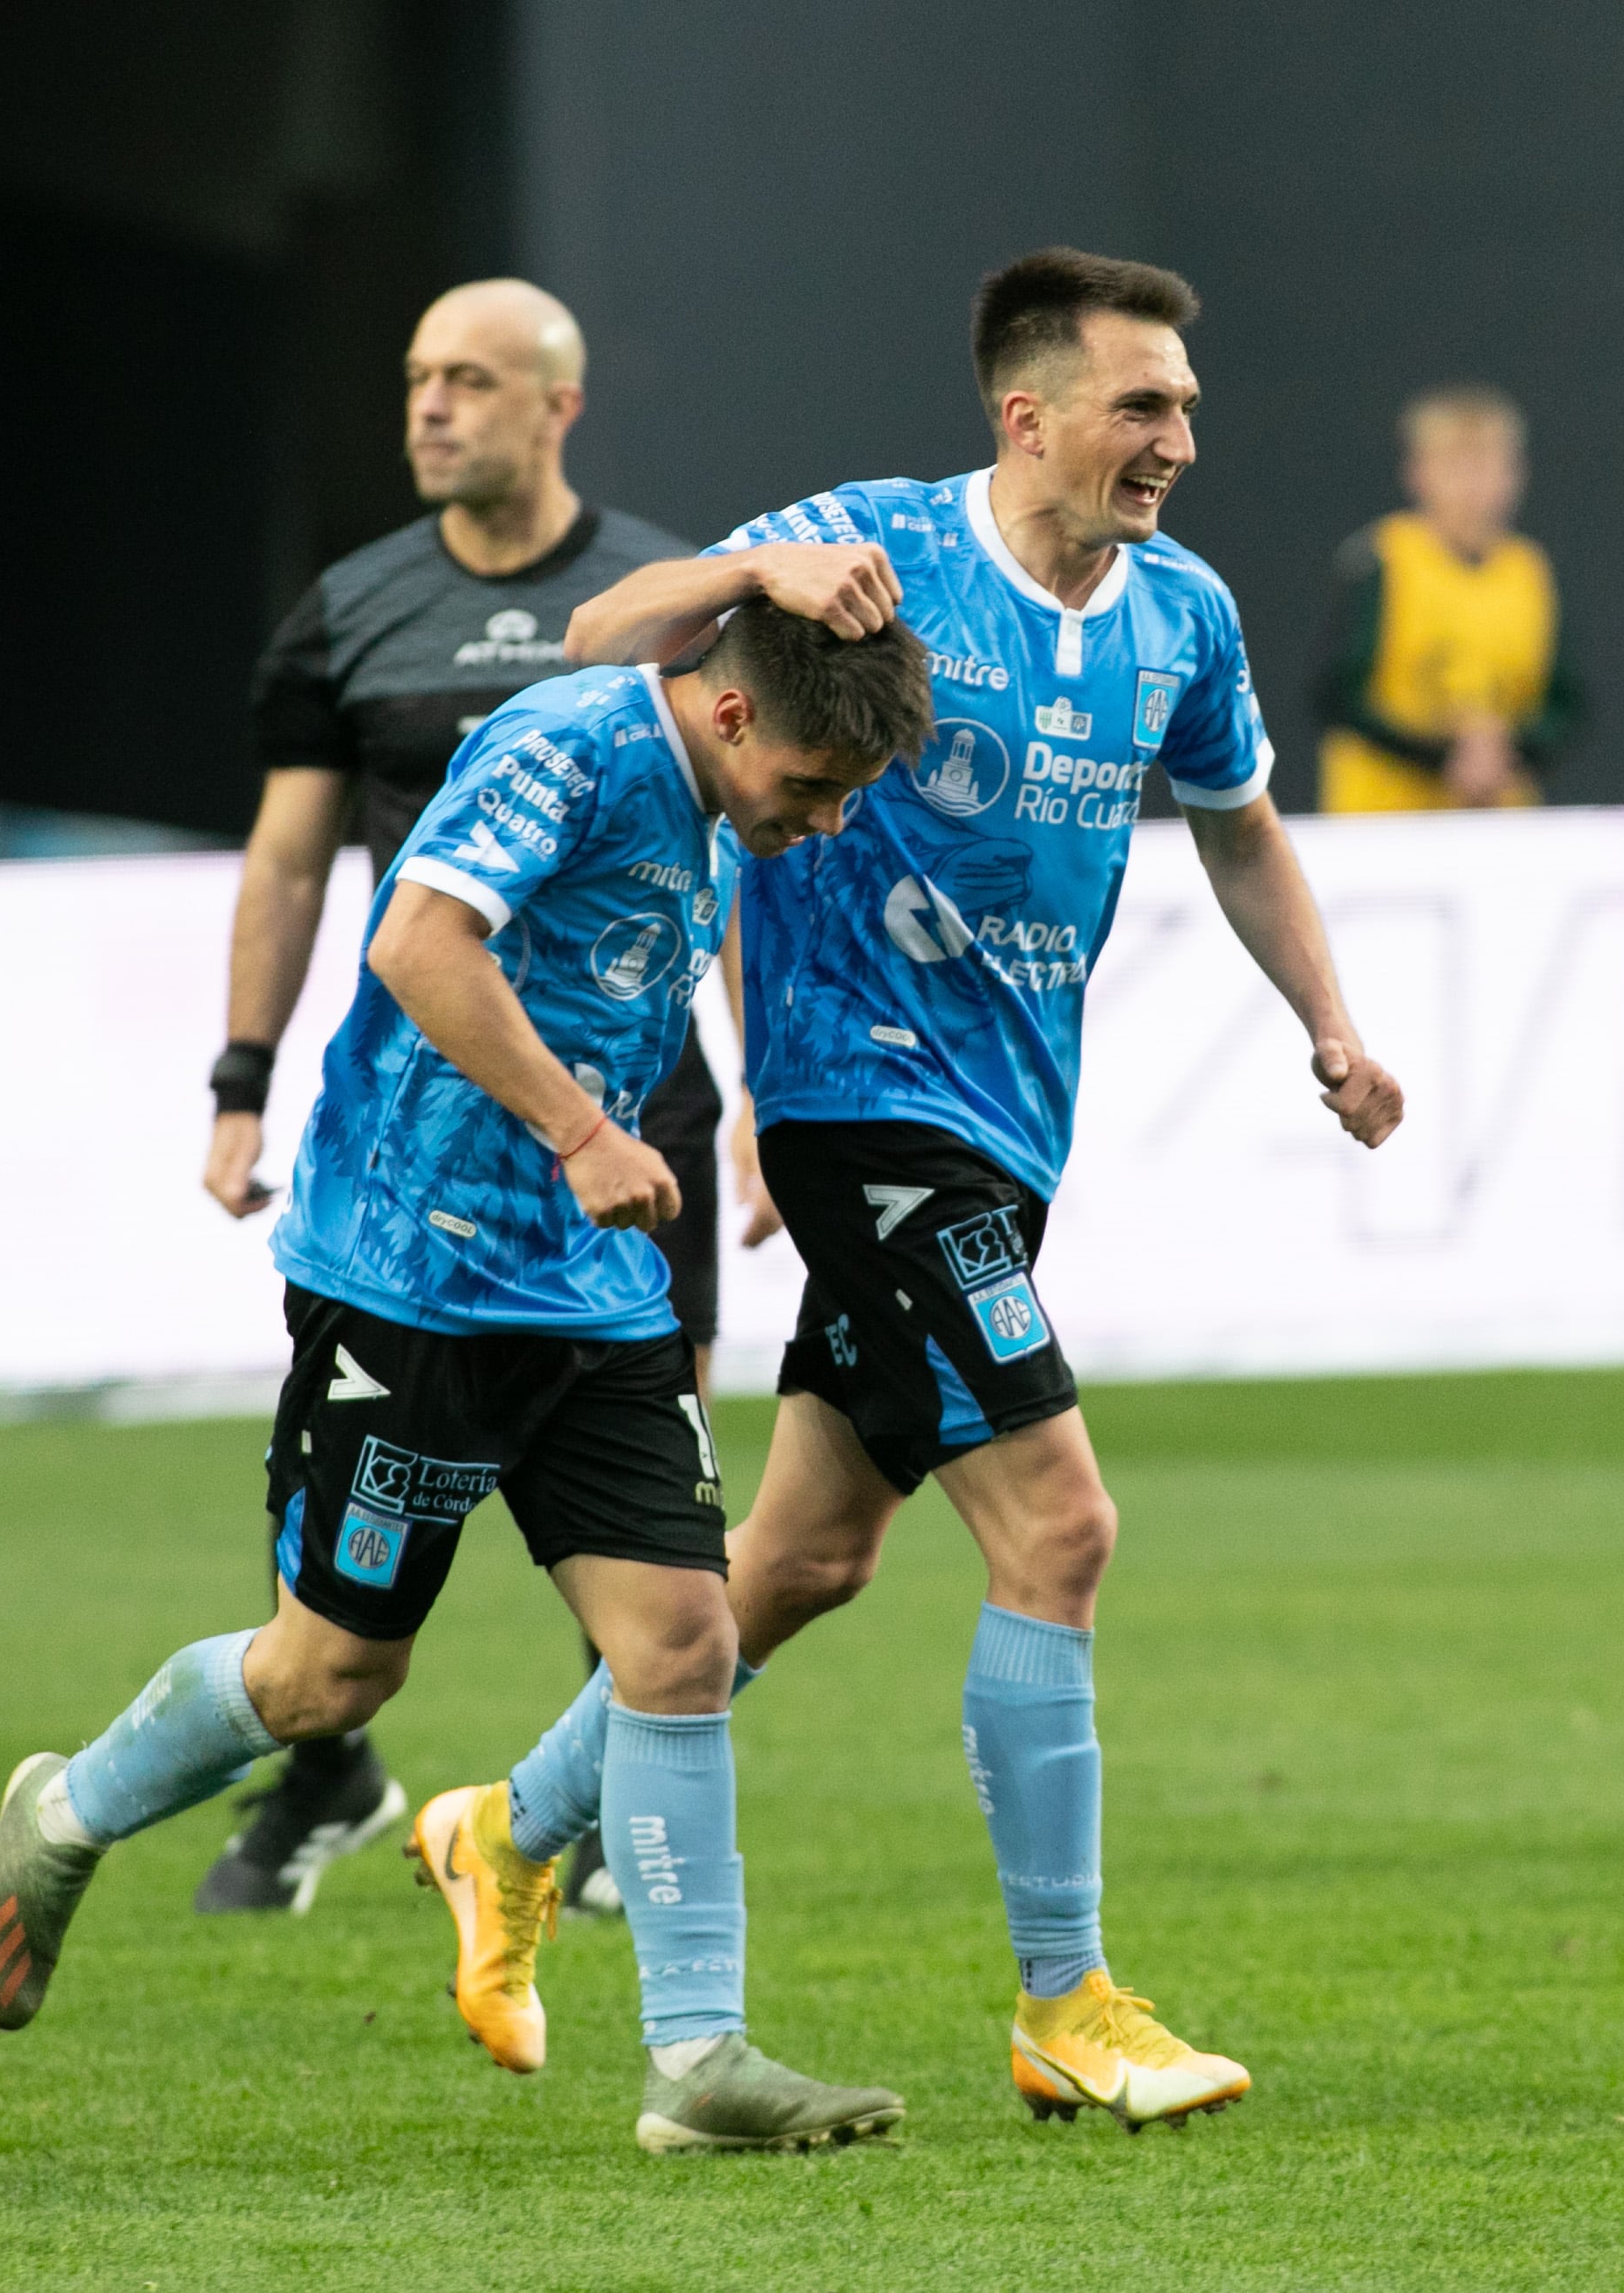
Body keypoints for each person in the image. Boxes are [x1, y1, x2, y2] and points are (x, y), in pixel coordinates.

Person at [460, 248, 1406, 2131]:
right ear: (1025, 414)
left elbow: (1235, 826)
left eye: (1184, 408)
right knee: (1055, 1526)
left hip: (1001, 1132)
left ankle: (509, 1824)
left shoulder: (1182, 619)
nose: (1175, 441)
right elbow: (600, 635)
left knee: (803, 1561)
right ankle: (1065, 2001)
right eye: (1142, 406)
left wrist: (1327, 1022)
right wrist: (747, 575)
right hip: (858, 1109)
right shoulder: (868, 548)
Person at [0, 602, 930, 2153]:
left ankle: (698, 2061)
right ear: (740, 718)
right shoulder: (569, 745)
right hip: (409, 1274)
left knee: (681, 1641)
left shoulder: (716, 797)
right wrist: (581, 1129)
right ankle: (66, 1811)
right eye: (816, 787)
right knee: (328, 1677)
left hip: (590, 1294)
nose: (822, 826)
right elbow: (418, 941)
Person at [193, 279, 709, 1921]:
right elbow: (287, 863)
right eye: (417, 378)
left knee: (649, 1456)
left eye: (471, 381)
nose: (430, 408)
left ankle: (609, 1816)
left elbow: (751, 841)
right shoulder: (349, 611)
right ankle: (329, 1769)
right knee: (355, 1505)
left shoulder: (655, 602)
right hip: (421, 1131)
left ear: (559, 406)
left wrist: (762, 1100)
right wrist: (238, 1085)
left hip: (641, 1097)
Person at [1313, 385, 1585, 812]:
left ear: (1516, 475)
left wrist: (1507, 753)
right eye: (1455, 467)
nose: (1472, 485)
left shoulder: (1528, 572)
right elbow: (1339, 696)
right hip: (1384, 825)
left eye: (1488, 466)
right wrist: (1444, 758)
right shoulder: (1382, 561)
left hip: (1496, 824)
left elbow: (1565, 705)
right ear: (1418, 474)